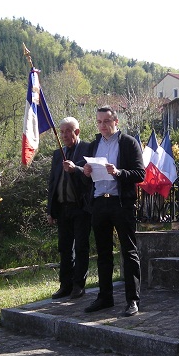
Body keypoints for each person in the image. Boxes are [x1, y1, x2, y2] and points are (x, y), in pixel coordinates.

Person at [82, 106, 145, 316]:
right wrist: (86, 171)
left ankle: (132, 300)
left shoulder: (128, 143)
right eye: (99, 122)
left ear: (116, 121)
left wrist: (118, 172)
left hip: (121, 203)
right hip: (100, 202)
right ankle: (105, 297)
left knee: (128, 251)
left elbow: (140, 173)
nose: (103, 126)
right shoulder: (93, 146)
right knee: (103, 253)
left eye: (107, 121)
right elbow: (86, 177)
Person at [47, 117, 92, 300]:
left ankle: (78, 284)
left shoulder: (87, 149)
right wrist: (50, 209)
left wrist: (77, 170)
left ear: (77, 132)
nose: (64, 135)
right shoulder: (58, 153)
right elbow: (52, 182)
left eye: (68, 131)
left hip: (81, 207)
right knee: (64, 248)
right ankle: (65, 284)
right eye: (62, 131)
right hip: (63, 207)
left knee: (81, 247)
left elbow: (92, 177)